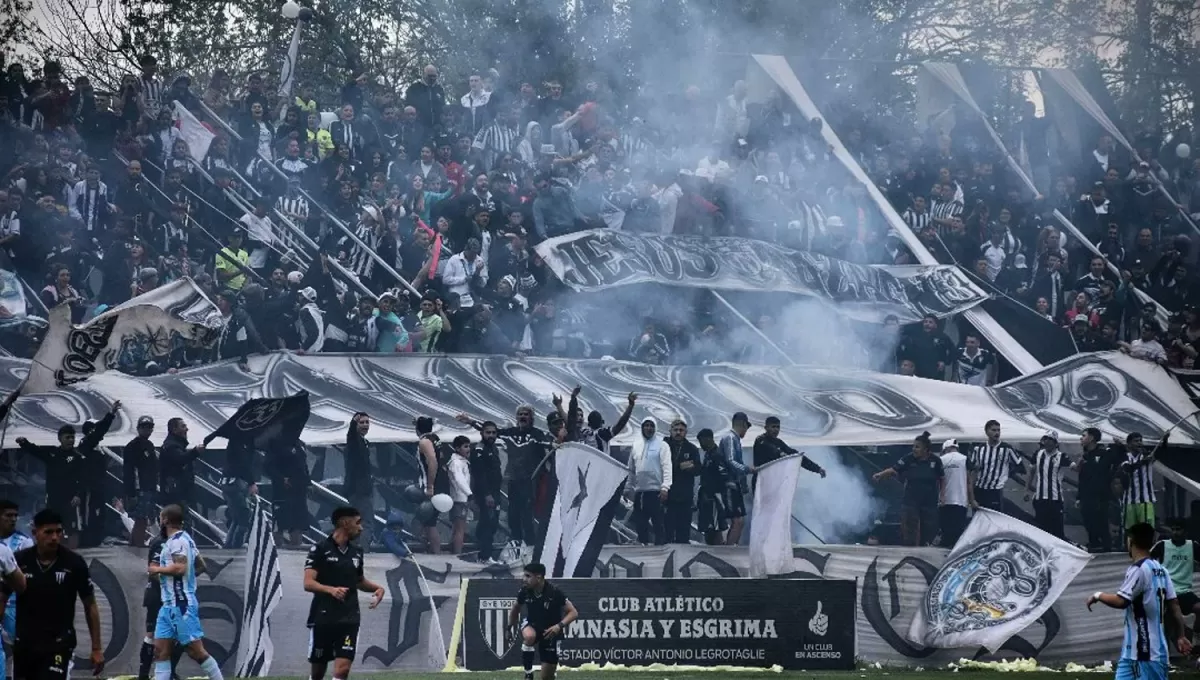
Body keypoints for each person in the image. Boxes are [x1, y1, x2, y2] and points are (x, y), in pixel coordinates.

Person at [1086, 522, 1191, 680]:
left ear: (1130, 541)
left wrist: (1098, 595)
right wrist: (1181, 635)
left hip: (1149, 653)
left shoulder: (1139, 569)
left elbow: (1121, 601)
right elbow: (1174, 605)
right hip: (1132, 653)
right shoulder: (1161, 569)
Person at [6, 509, 99, 680]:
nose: (55, 537)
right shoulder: (19, 560)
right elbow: (2, 596)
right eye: (48, 532)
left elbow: (90, 604)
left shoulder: (74, 563)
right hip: (25, 645)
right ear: (35, 533)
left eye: (59, 531)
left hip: (59, 645)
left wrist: (96, 648)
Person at [303, 507, 386, 680]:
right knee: (317, 673)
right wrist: (330, 590)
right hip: (323, 617)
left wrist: (378, 589)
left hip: (349, 618)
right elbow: (308, 583)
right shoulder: (319, 549)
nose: (361, 528)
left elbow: (359, 581)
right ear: (344, 523)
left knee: (342, 670)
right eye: (357, 523)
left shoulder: (357, 552)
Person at [148, 505, 222, 680]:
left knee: (195, 651)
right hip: (168, 605)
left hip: (180, 604)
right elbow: (201, 565)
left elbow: (180, 568)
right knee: (160, 651)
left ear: (166, 520)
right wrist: (179, 580)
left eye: (160, 517)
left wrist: (157, 569)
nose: (159, 521)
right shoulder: (186, 539)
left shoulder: (177, 541)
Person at [506, 562, 578, 680]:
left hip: (551, 631)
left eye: (528, 576)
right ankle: (528, 673)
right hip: (532, 624)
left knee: (546, 677)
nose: (524, 579)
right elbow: (515, 609)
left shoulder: (554, 592)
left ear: (538, 578)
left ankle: (551, 673)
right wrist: (509, 628)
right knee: (529, 636)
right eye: (524, 576)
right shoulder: (524, 591)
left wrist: (558, 626)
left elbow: (573, 612)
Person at [872, 431, 944, 546]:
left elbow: (942, 478)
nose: (914, 449)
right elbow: (893, 470)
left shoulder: (936, 461)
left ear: (926, 449)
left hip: (929, 500)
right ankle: (909, 549)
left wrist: (943, 495)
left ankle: (925, 546)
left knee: (929, 528)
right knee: (909, 529)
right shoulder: (909, 458)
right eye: (913, 446)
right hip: (911, 500)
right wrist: (880, 475)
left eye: (917, 447)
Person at [137, 527, 183, 680]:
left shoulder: (177, 542)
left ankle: (168, 672)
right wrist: (171, 582)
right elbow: (153, 571)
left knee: (178, 635)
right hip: (158, 595)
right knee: (153, 635)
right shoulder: (161, 542)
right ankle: (144, 674)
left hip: (165, 595)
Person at [626, 419, 670, 546]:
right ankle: (643, 550)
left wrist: (665, 487)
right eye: (646, 425)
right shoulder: (636, 445)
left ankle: (660, 551)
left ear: (655, 428)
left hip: (656, 492)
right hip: (640, 492)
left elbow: (667, 467)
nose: (649, 428)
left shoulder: (662, 445)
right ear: (642, 427)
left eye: (651, 426)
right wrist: (628, 487)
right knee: (640, 524)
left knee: (658, 525)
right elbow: (631, 469)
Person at [1150, 518, 1200, 628]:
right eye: (1173, 529)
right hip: (1165, 592)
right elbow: (1146, 563)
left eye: (1178, 529)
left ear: (1185, 531)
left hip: (1184, 592)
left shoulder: (1193, 546)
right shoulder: (1162, 545)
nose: (1175, 532)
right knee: (1164, 622)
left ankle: (1196, 638)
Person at [967, 419, 1024, 513]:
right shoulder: (979, 449)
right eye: (993, 430)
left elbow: (1019, 465)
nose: (997, 433)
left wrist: (1005, 474)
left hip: (995, 490)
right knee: (977, 517)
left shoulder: (1006, 448)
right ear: (986, 431)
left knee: (994, 517)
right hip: (980, 489)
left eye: (998, 430)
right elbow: (971, 469)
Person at [718, 412, 754, 546]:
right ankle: (729, 550)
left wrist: (744, 485)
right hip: (729, 483)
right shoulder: (730, 438)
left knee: (739, 520)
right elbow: (731, 460)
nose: (746, 431)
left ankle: (732, 547)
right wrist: (747, 469)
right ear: (743, 424)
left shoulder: (735, 439)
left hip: (734, 484)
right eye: (746, 427)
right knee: (737, 520)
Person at [0, 501, 27, 676]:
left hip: (15, 607)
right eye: (8, 515)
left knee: (23, 648)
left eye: (15, 515)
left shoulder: (23, 543)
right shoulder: (2, 550)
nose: (13, 519)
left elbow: (24, 584)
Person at [123, 415, 159, 548]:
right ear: (138, 428)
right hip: (140, 487)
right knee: (141, 517)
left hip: (148, 486)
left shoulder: (149, 445)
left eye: (149, 427)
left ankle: (134, 542)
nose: (147, 430)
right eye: (144, 427)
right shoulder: (132, 446)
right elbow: (129, 471)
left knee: (144, 516)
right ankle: (137, 543)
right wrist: (131, 491)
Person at [663, 420, 701, 544]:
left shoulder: (692, 448)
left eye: (681, 430)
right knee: (666, 532)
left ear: (685, 432)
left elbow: (698, 469)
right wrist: (679, 466)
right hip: (667, 495)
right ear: (670, 431)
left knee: (683, 533)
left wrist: (690, 467)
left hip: (685, 496)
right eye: (676, 430)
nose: (678, 432)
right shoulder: (663, 446)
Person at [1025, 431, 1067, 538]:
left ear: (1056, 443)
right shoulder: (1038, 454)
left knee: (1057, 530)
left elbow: (1074, 467)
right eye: (1045, 440)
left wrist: (1081, 463)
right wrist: (1027, 489)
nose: (1047, 442)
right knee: (1041, 529)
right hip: (1040, 498)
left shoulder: (1061, 456)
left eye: (1050, 440)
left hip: (1055, 498)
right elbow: (1032, 471)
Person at [695, 429, 731, 546]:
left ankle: (718, 552)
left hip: (714, 498)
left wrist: (717, 493)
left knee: (714, 529)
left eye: (701, 441)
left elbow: (724, 475)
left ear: (708, 439)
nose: (700, 445)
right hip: (706, 497)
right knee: (708, 528)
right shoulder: (708, 455)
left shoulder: (717, 455)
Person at [937, 439, 970, 547]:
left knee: (946, 528)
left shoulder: (941, 460)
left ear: (945, 448)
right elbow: (971, 476)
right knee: (959, 529)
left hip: (945, 500)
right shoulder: (965, 459)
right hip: (961, 500)